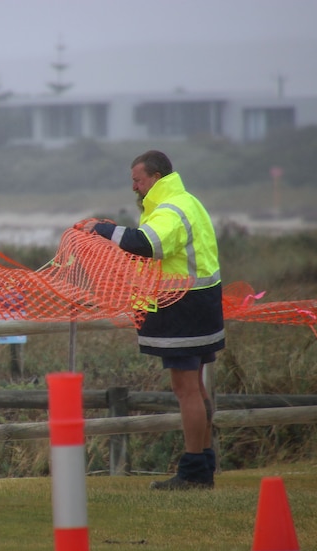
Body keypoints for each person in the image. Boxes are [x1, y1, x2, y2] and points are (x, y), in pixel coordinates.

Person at [79, 150, 225, 490]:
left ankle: (193, 472)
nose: (134, 187)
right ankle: (203, 464)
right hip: (200, 304)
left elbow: (147, 244)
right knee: (197, 387)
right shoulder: (186, 200)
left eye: (137, 180)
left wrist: (101, 229)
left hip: (183, 308)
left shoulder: (171, 209)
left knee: (185, 389)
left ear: (155, 178)